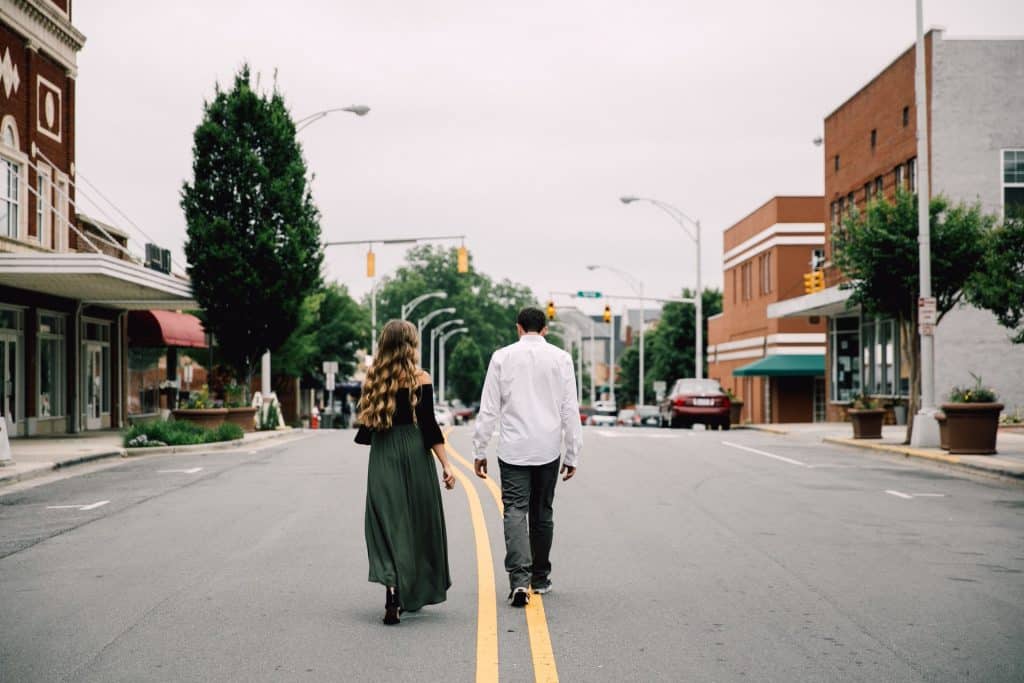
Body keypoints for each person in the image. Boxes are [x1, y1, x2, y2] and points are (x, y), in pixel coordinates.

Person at [472, 306, 583, 607]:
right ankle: (540, 577)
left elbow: (489, 408)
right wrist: (572, 453)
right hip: (548, 449)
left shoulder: (502, 357)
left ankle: (519, 581)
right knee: (542, 512)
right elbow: (569, 409)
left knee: (515, 511)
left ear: (518, 327)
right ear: (544, 329)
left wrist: (480, 449)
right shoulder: (561, 359)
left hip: (513, 449)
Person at [355, 319, 457, 625]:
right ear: (411, 345)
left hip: (384, 455)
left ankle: (392, 593)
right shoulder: (420, 378)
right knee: (418, 523)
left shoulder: (374, 376)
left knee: (387, 524)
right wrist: (447, 465)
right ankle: (414, 586)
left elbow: (368, 427)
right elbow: (429, 425)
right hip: (415, 453)